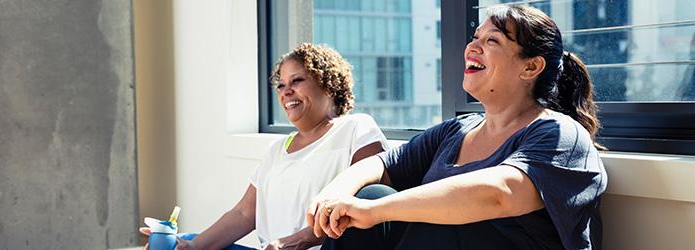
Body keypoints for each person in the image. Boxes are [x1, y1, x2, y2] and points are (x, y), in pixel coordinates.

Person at [307, 5, 607, 250]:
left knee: (439, 221)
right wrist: (334, 193)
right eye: (475, 37)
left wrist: (372, 213)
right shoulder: (457, 131)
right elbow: (382, 163)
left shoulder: (560, 134)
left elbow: (498, 193)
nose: (471, 47)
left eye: (492, 41)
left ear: (530, 67)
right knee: (371, 193)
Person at [141, 43, 388, 250]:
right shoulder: (278, 149)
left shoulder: (356, 128)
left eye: (297, 80)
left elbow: (368, 206)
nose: (285, 91)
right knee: (185, 242)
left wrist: (299, 240)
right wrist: (190, 247)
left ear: (329, 85)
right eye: (280, 85)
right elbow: (244, 214)